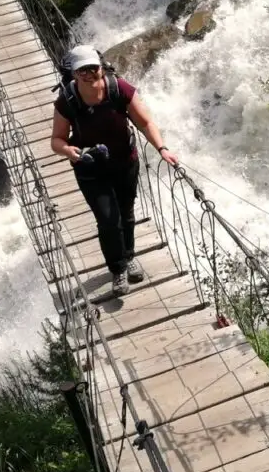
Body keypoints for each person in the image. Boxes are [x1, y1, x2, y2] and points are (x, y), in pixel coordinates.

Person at [50, 45, 179, 297]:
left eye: (93, 67)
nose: (89, 73)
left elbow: (145, 122)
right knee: (109, 219)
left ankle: (129, 257)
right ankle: (118, 270)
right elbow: (57, 140)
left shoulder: (119, 89)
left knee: (126, 213)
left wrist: (162, 149)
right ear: (74, 74)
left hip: (124, 163)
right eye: (82, 70)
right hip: (90, 169)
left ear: (101, 66)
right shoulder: (68, 100)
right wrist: (69, 151)